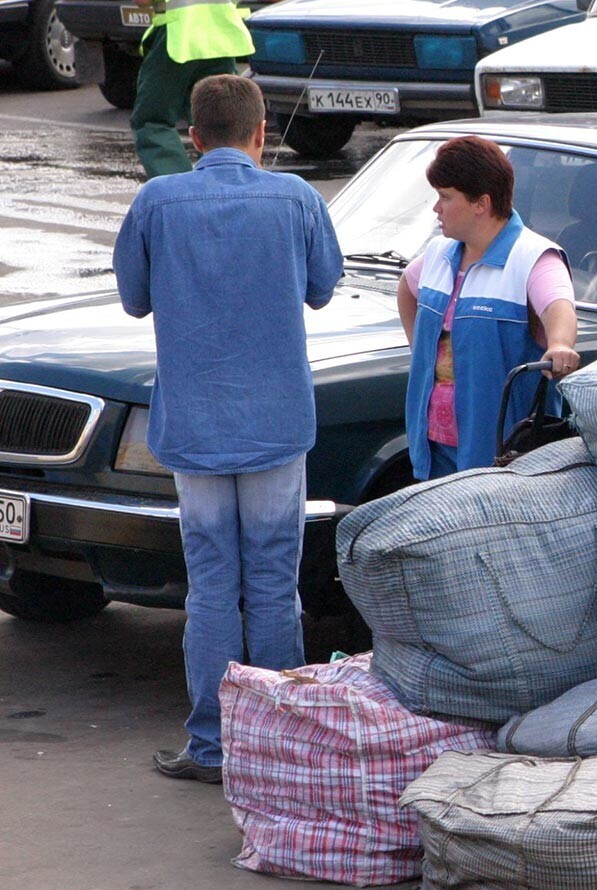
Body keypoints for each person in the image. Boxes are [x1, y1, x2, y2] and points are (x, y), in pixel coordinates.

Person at [112, 74, 343, 783]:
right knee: (273, 585)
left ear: (192, 137)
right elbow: (324, 286)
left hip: (195, 427)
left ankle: (212, 745)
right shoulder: (298, 198)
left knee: (211, 585)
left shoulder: (157, 201)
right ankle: (272, 749)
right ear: (261, 133)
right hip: (275, 423)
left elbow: (133, 299)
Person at [397, 137, 580, 480]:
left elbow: (559, 306)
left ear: (481, 203)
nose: (436, 208)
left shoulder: (532, 256)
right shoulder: (439, 253)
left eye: (445, 197)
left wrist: (559, 345)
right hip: (433, 447)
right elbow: (407, 288)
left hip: (501, 460)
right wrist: (422, 356)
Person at [127, 0, 254, 179]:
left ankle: (179, 192)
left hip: (178, 38)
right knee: (220, 120)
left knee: (154, 121)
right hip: (221, 36)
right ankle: (228, 183)